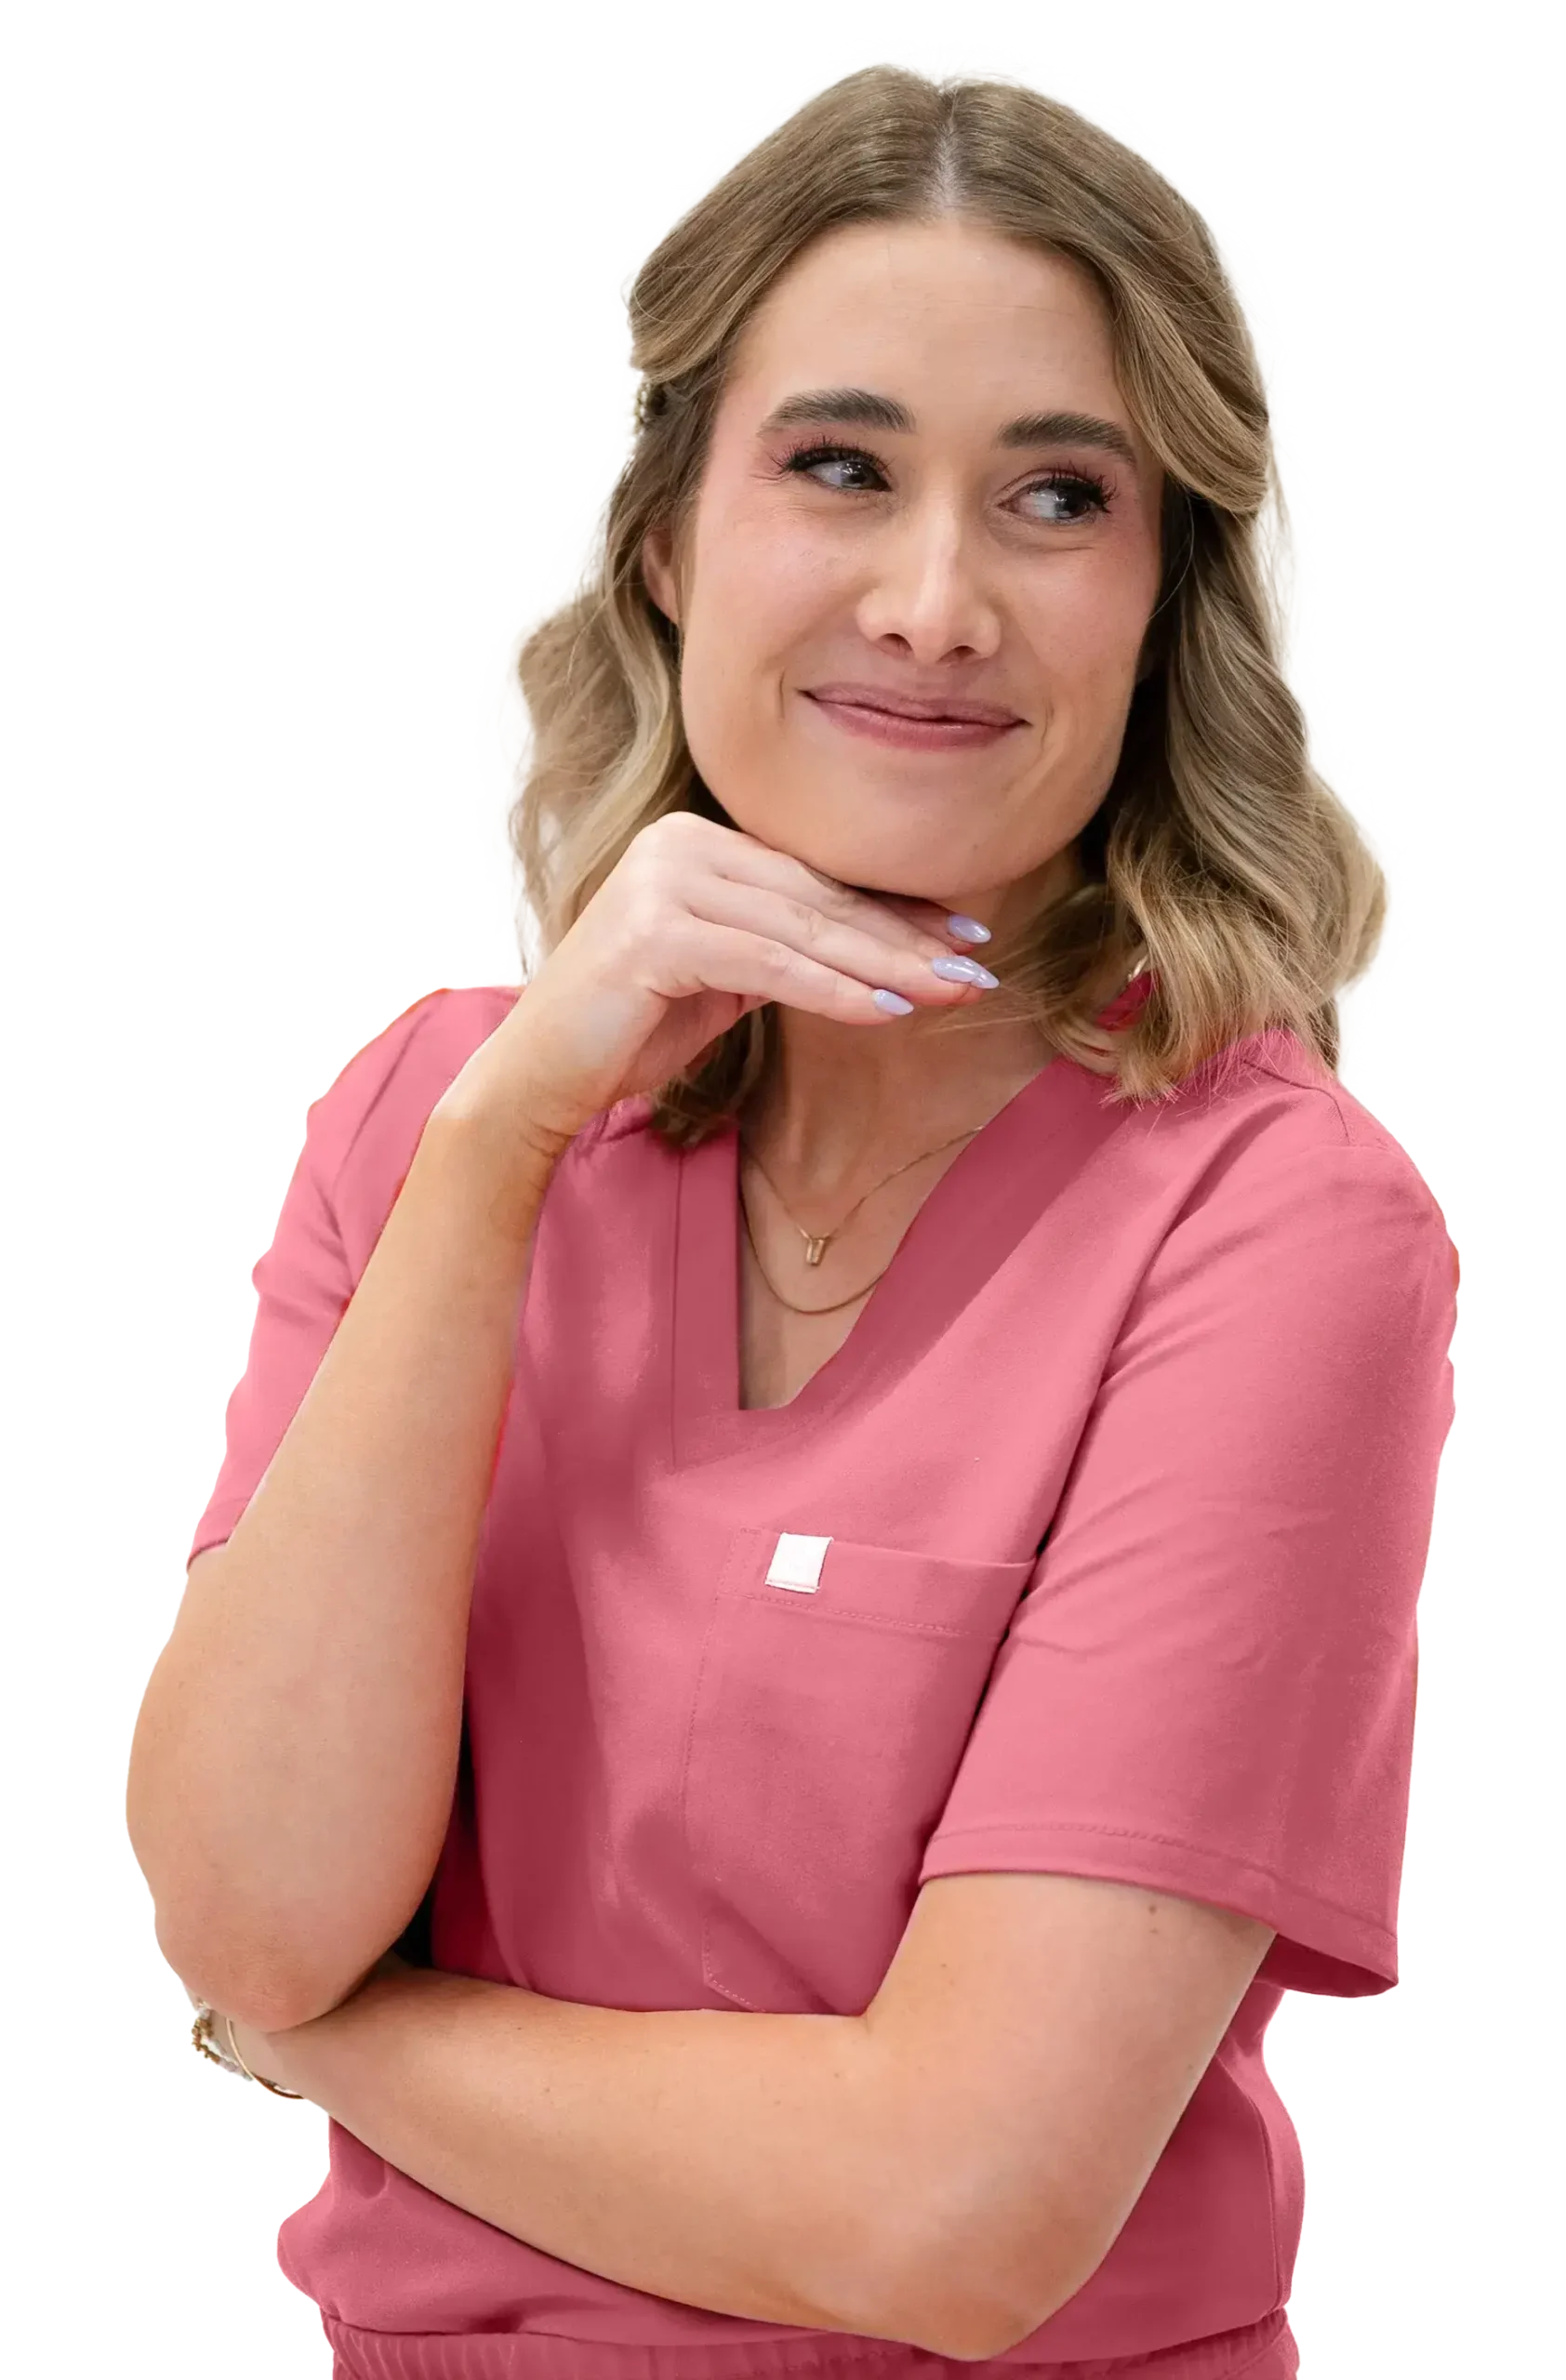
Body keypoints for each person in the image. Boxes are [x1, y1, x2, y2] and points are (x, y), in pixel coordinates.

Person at [128, 59, 1457, 2380]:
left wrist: (311, 2042)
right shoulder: (432, 1116)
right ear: (665, 536)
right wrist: (505, 1137)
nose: (932, 603)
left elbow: (956, 2213)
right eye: (836, 466)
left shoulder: (1271, 1225)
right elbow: (250, 1890)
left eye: (1056, 496)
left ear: (1164, 601)